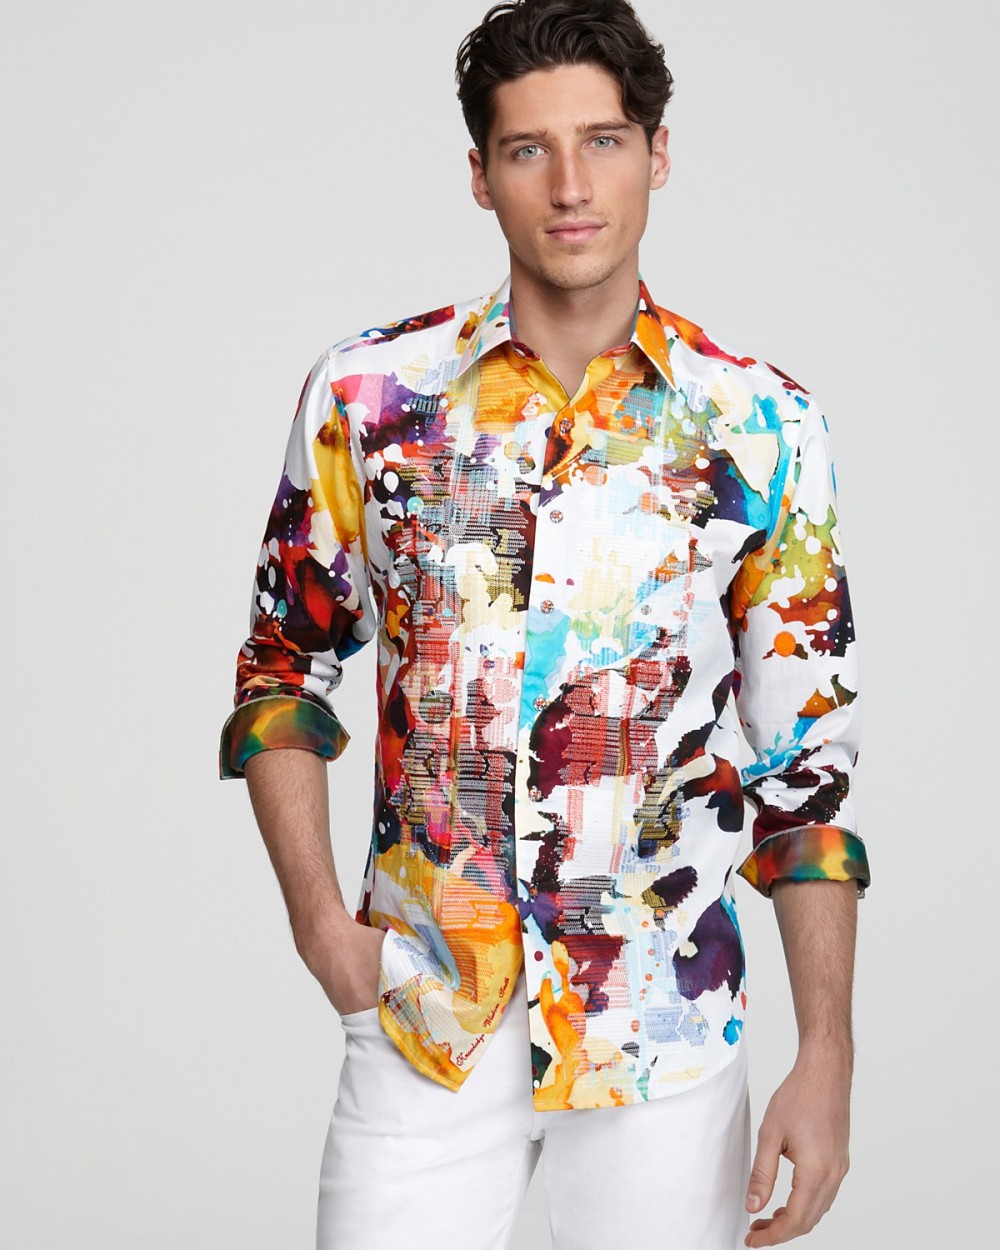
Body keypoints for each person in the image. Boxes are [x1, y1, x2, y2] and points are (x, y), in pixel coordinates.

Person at [219, 2, 870, 1246]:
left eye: (603, 141)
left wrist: (826, 1051)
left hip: (662, 1034)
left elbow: (806, 767)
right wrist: (320, 927)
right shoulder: (370, 398)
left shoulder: (761, 427)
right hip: (424, 1017)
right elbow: (281, 665)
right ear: (481, 174)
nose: (570, 186)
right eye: (529, 149)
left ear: (657, 154)